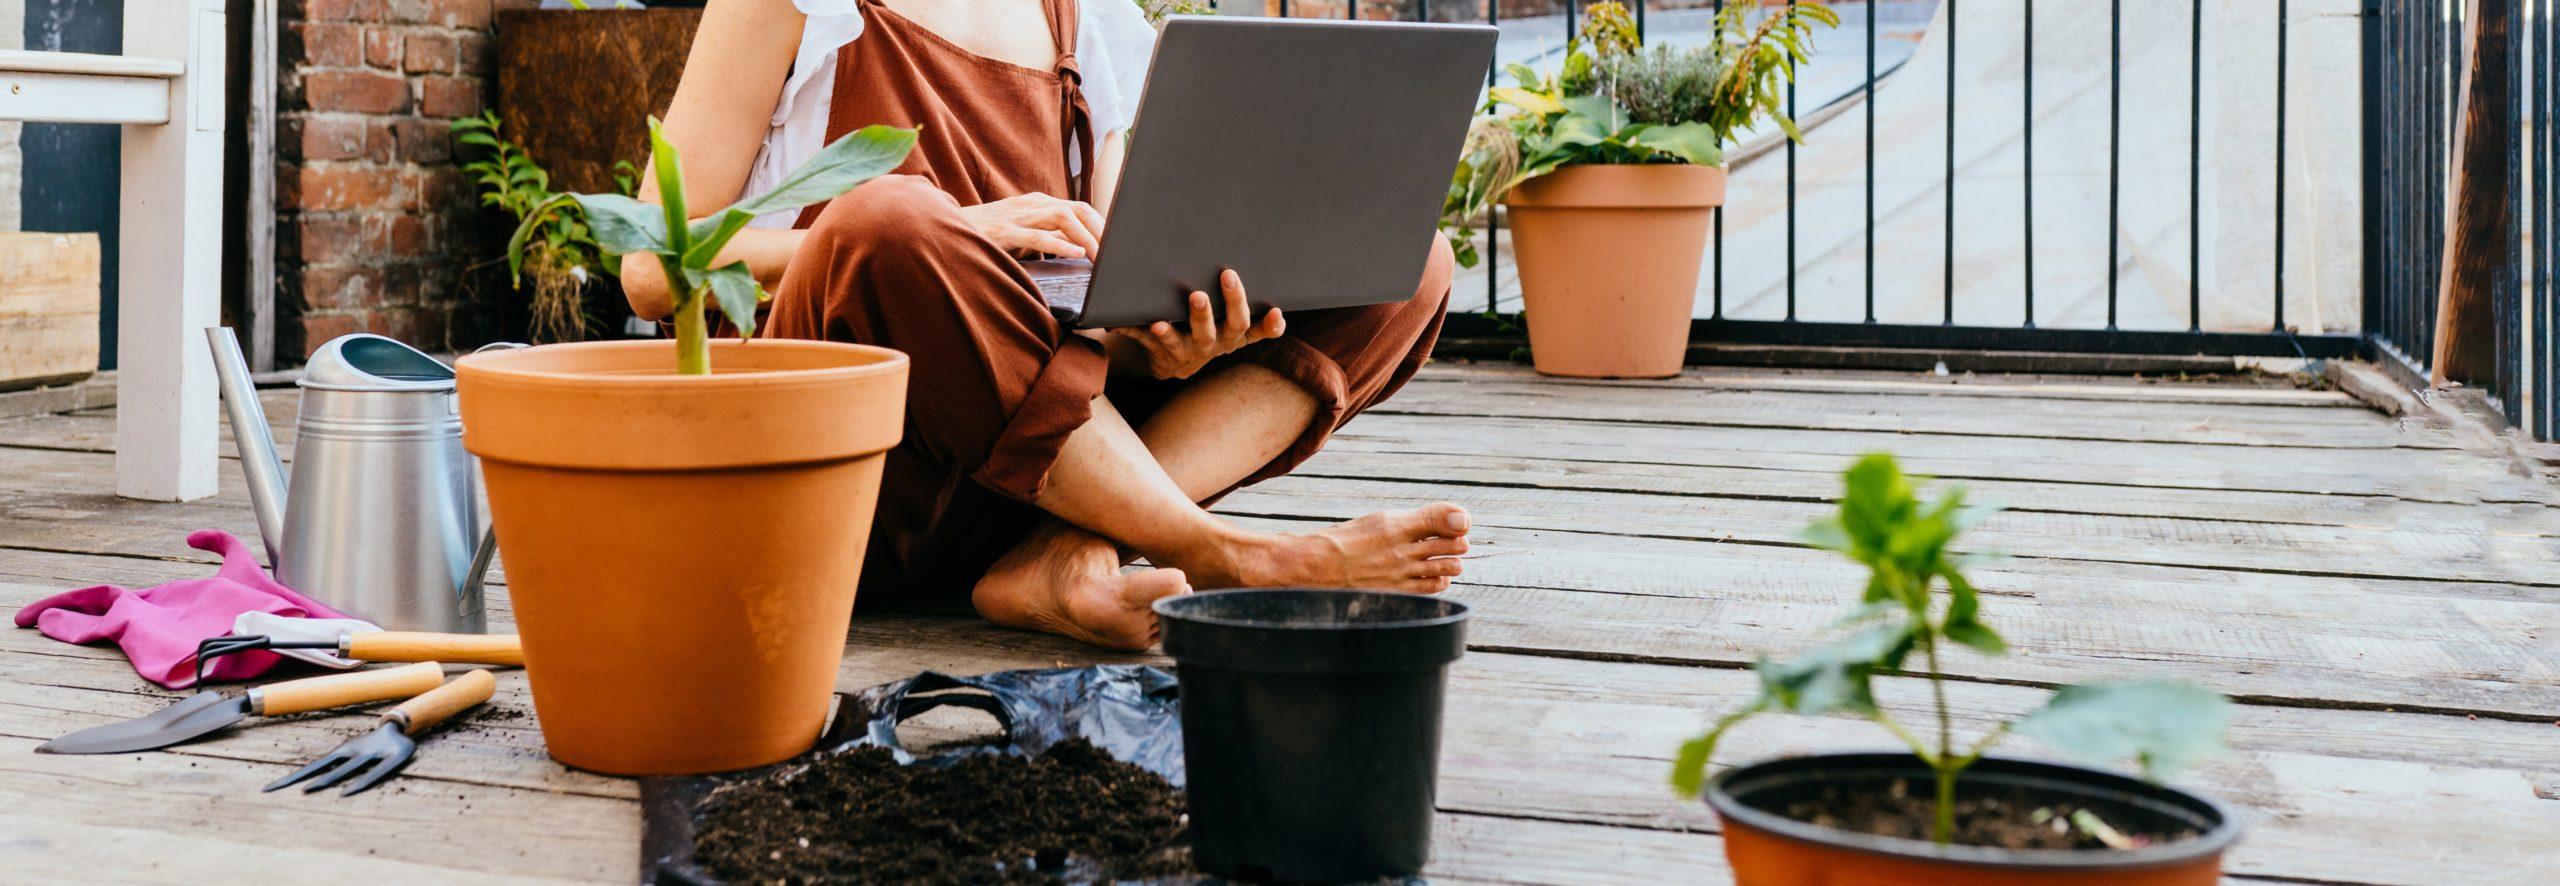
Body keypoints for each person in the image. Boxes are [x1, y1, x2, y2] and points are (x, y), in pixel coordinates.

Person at [624, 0, 1467, 651]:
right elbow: (650, 268)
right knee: (886, 219)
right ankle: (1220, 552)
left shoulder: (1080, 15)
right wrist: (966, 230)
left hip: (1033, 482)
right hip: (864, 482)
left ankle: (1065, 550)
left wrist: (1168, 339)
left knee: (1408, 260)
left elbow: (1108, 283)